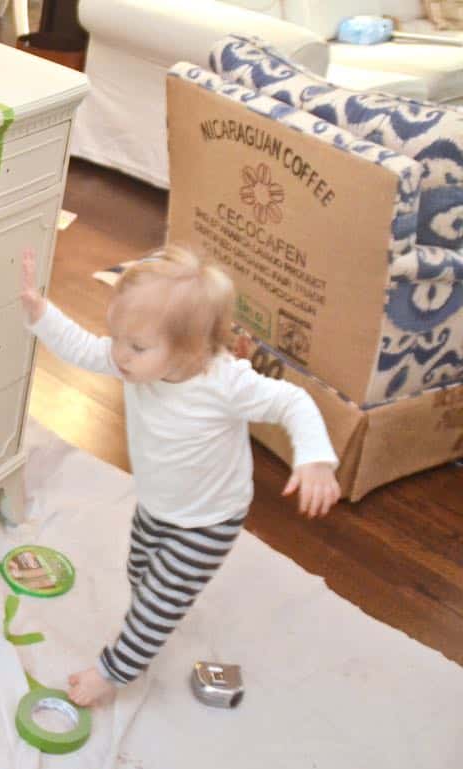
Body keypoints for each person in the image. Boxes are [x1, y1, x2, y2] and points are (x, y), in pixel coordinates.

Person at [19, 244, 341, 706]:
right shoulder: (137, 362)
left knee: (156, 604)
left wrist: (315, 458)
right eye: (118, 338)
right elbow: (85, 349)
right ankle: (148, 627)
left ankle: (115, 670)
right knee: (140, 574)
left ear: (189, 348)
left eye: (135, 346)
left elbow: (293, 403)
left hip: (209, 520)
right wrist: (41, 314)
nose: (119, 356)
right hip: (157, 504)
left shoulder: (225, 384)